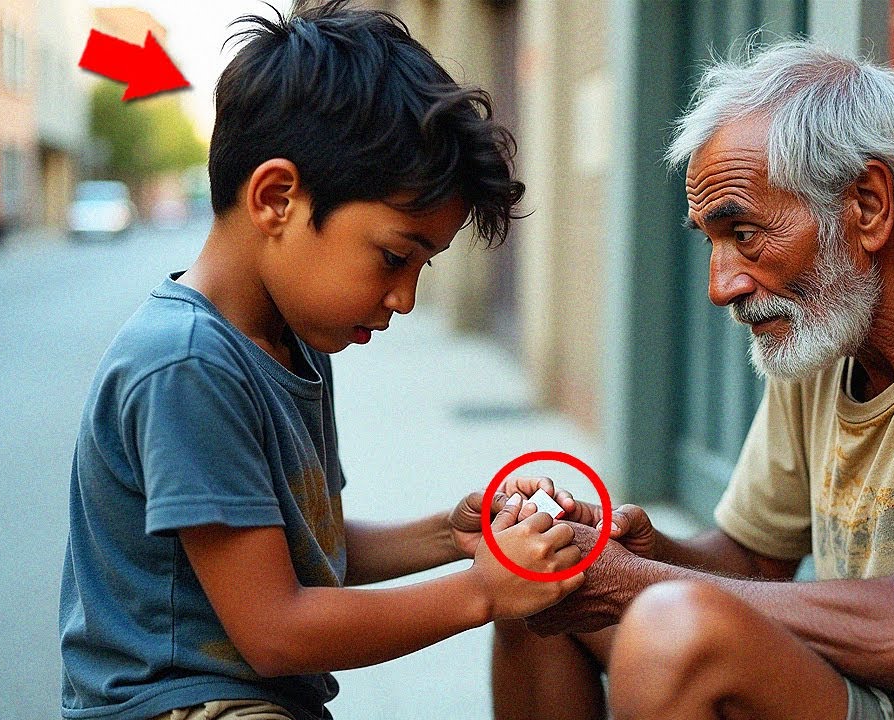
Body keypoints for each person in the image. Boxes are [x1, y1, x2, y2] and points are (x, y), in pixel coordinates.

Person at [494, 40, 894, 720]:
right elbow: (750, 561)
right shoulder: (824, 329)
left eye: (744, 233)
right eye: (711, 241)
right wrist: (635, 554)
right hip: (868, 695)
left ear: (866, 204)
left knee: (673, 632)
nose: (722, 287)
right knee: (537, 585)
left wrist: (637, 585)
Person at [58, 4, 586, 719]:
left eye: (422, 268)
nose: (403, 298)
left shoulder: (292, 341)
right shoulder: (186, 365)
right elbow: (275, 630)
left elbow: (309, 552)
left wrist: (452, 536)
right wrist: (484, 591)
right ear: (277, 199)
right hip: (178, 707)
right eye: (394, 257)